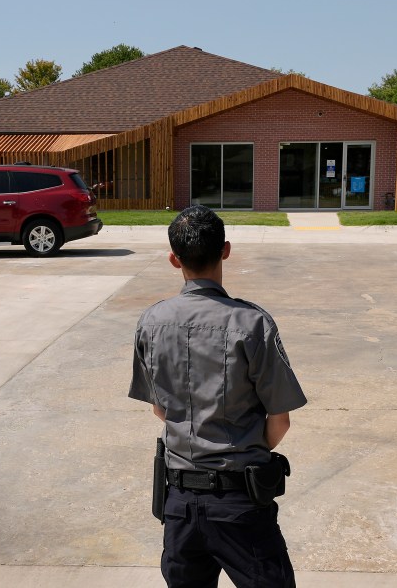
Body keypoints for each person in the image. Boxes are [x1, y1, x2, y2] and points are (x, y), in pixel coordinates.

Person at [129, 205, 307, 588]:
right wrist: (242, 447)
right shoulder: (252, 323)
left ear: (174, 260)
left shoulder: (152, 321)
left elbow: (161, 409)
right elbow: (281, 419)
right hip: (239, 503)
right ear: (225, 250)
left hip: (178, 505)